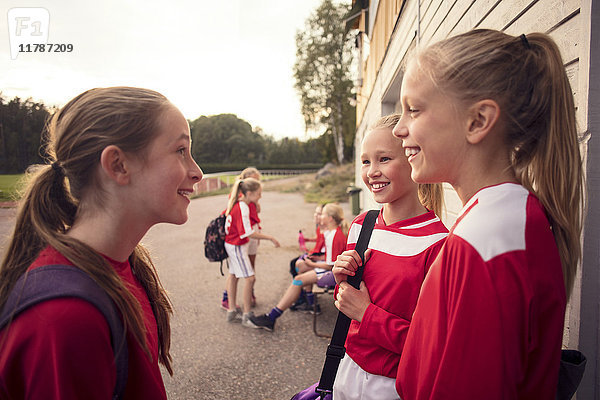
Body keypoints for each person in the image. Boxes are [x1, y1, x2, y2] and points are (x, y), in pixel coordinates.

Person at [392, 29, 584, 399]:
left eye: (413, 109)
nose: (399, 128)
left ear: (478, 121)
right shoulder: (500, 218)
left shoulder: (487, 240)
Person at [0, 87, 203, 399]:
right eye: (180, 150)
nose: (197, 172)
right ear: (118, 165)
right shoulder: (65, 318)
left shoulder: (123, 268)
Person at [331, 114, 448, 399]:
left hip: (394, 385)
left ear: (414, 159)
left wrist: (365, 313)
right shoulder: (361, 224)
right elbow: (348, 303)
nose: (371, 171)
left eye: (384, 159)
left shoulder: (439, 244)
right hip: (345, 370)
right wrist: (341, 281)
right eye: (366, 161)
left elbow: (433, 346)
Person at [248, 203, 348, 331]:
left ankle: (271, 317)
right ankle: (309, 303)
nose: (320, 216)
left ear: (330, 219)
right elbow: (332, 257)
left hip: (334, 274)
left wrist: (312, 264)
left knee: (298, 279)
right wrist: (316, 259)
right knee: (301, 268)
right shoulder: (332, 232)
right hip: (331, 269)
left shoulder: (335, 235)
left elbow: (331, 265)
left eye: (323, 214)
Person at [223, 178, 280, 327]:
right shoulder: (243, 206)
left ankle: (231, 311)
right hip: (236, 245)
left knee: (235, 276)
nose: (260, 196)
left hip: (232, 244)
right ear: (249, 193)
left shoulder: (240, 203)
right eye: (258, 193)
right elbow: (247, 233)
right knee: (250, 278)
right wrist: (270, 238)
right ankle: (247, 316)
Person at [221, 167, 262, 310]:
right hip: (244, 234)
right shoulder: (239, 197)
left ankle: (249, 294)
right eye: (254, 179)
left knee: (250, 265)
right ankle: (228, 298)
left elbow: (257, 211)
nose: (257, 182)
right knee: (237, 270)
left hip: (252, 232)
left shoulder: (253, 195)